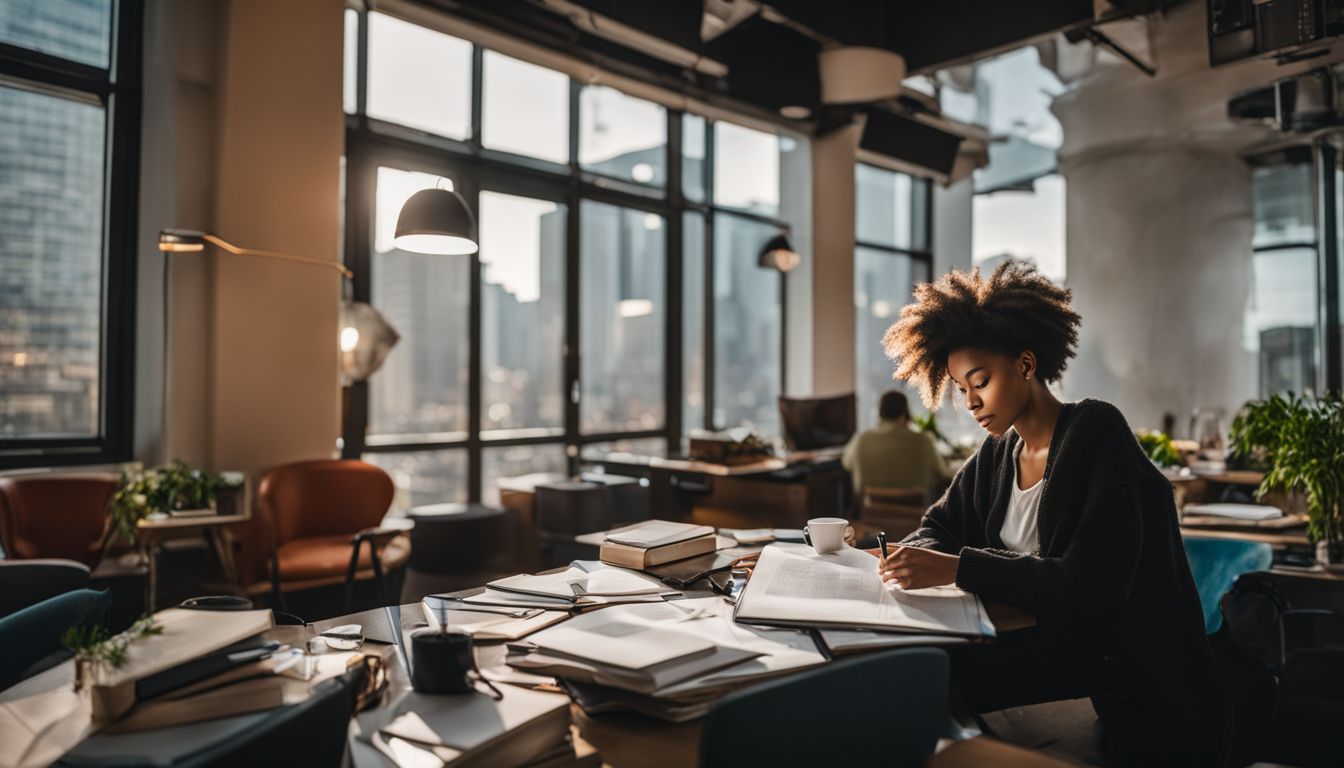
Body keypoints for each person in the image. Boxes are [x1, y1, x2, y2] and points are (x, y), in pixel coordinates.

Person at [875, 262, 1228, 766]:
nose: (972, 402)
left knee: (927, 672)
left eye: (981, 381)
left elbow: (1092, 585)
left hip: (1129, 680)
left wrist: (956, 567)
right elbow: (938, 526)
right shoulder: (1000, 452)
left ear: (1024, 364)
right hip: (1053, 647)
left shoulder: (1095, 433)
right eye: (961, 388)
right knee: (916, 666)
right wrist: (917, 558)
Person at [840, 390, 949, 498]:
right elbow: (942, 472)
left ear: (879, 413)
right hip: (915, 511)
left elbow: (846, 463)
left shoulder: (861, 439)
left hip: (871, 511)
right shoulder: (924, 440)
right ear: (905, 413)